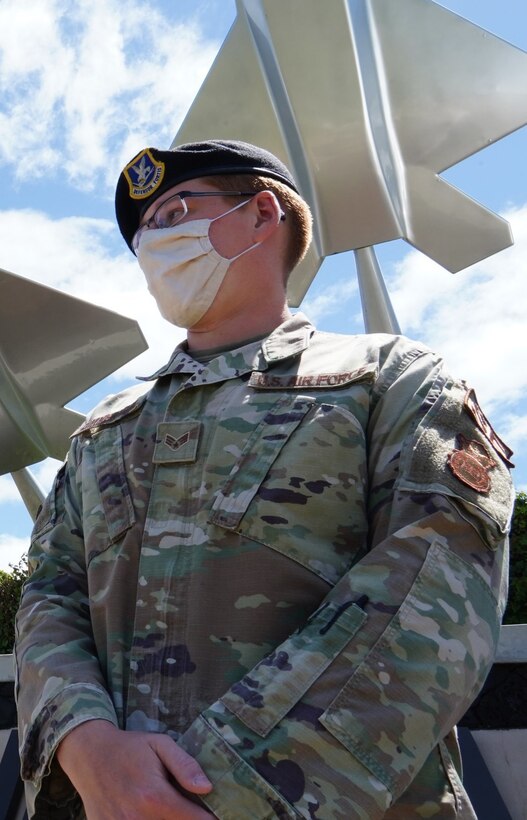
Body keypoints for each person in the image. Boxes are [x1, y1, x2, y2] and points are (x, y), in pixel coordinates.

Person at [15, 140, 514, 819]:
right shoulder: (102, 433)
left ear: (261, 214)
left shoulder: (393, 381)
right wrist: (84, 742)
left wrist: (226, 796)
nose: (155, 244)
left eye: (176, 212)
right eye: (144, 235)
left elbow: (433, 595)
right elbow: (48, 600)